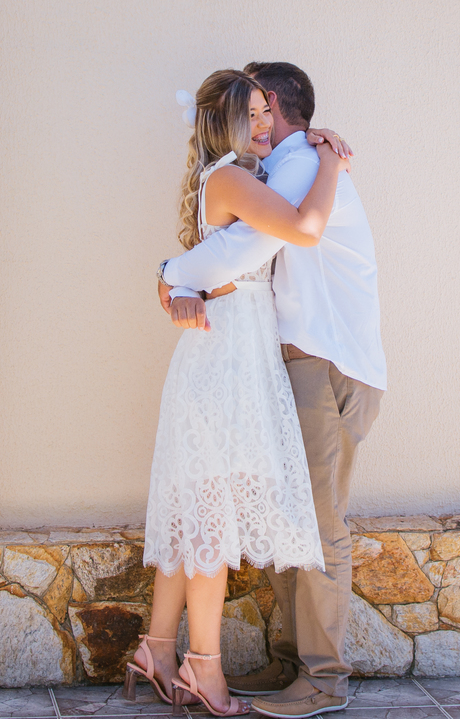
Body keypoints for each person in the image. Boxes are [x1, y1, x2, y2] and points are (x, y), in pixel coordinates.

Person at [157, 61, 386, 719]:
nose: (256, 120)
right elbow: (232, 246)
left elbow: (243, 250)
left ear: (279, 109)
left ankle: (323, 679)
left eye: (262, 108)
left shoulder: (301, 162)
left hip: (322, 364)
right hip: (291, 363)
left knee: (317, 526)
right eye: (246, 111)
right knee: (292, 521)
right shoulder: (269, 168)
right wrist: (176, 278)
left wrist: (171, 275)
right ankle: (293, 662)